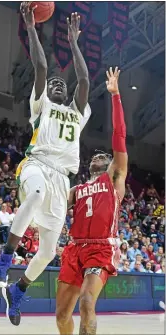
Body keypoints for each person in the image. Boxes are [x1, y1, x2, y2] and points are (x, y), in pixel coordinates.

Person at [0, 3, 91, 327]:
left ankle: (17, 292)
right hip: (36, 163)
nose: (57, 84)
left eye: (62, 84)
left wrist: (74, 42)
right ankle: (4, 261)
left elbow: (85, 80)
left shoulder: (77, 111)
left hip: (62, 181)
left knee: (48, 252)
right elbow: (42, 68)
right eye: (53, 85)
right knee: (32, 197)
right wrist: (31, 27)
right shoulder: (41, 104)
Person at [56, 67, 128, 335]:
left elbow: (119, 136)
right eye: (95, 155)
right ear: (89, 165)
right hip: (74, 249)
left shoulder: (114, 179)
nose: (99, 155)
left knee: (87, 302)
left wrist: (115, 96)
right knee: (62, 315)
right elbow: (55, 209)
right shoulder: (76, 189)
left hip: (100, 248)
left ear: (110, 164)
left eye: (103, 155)